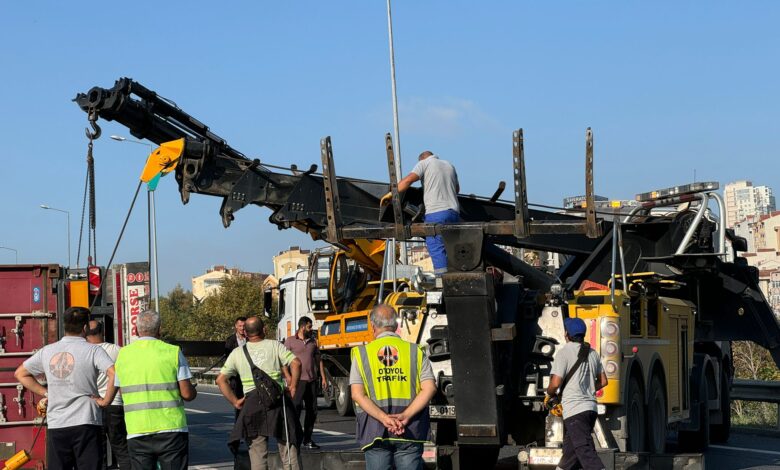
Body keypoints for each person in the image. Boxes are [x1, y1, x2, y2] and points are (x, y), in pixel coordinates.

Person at [14, 306, 116, 470]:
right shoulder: (94, 351)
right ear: (85, 328)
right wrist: (105, 401)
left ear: (65, 326)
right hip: (87, 421)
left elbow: (20, 373)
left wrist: (46, 393)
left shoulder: (47, 351)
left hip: (57, 424)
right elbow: (114, 374)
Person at [350, 304, 437, 470]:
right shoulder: (415, 351)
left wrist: (385, 419)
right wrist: (405, 415)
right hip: (409, 429)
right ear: (396, 325)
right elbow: (430, 388)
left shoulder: (361, 354)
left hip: (375, 431)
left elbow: (357, 395)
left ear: (373, 326)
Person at [217, 316, 303, 470]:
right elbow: (296, 363)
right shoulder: (275, 346)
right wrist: (294, 386)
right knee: (288, 448)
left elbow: (220, 380)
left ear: (246, 332)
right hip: (277, 402)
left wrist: (235, 401)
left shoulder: (237, 353)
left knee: (257, 453)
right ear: (264, 329)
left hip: (252, 404)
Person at [114, 310, 197, 470]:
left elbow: (122, 392)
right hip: (171, 429)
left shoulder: (123, 355)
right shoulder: (173, 352)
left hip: (137, 429)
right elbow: (187, 394)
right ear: (159, 329)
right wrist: (193, 391)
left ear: (136, 329)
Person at [381, 150, 460, 275]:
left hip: (436, 212)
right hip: (454, 212)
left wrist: (391, 194)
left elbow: (408, 180)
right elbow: (457, 189)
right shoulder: (449, 165)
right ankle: (455, 277)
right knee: (452, 247)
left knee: (436, 246)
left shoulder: (425, 163)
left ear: (422, 159)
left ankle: (443, 281)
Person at [546, 318, 609, 470]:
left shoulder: (564, 352)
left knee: (585, 451)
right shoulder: (593, 353)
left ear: (566, 334)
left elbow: (555, 383)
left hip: (575, 410)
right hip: (590, 409)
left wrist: (549, 394)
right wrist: (587, 389)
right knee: (570, 454)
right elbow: (604, 381)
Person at [86, 320, 131, 469]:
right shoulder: (117, 350)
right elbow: (124, 377)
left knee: (99, 450)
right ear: (102, 332)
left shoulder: (84, 352)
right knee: (121, 448)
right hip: (115, 404)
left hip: (93, 406)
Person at [285, 316, 328, 450]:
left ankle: (307, 439)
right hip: (297, 382)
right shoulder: (290, 341)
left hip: (311, 381)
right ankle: (294, 438)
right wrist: (288, 377)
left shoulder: (313, 341)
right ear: (302, 327)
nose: (311, 329)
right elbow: (283, 361)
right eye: (309, 326)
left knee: (312, 411)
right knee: (295, 409)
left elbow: (318, 360)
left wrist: (323, 377)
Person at [225, 316, 248, 418]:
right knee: (239, 404)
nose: (242, 328)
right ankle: (239, 426)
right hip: (237, 378)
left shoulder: (251, 339)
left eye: (244, 326)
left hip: (249, 375)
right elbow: (228, 359)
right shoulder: (230, 340)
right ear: (236, 326)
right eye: (240, 326)